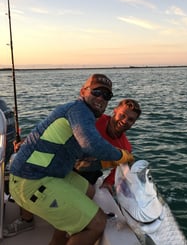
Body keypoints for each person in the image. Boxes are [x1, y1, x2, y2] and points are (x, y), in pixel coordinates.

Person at [8, 74, 134, 245]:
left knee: (88, 190)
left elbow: (79, 148)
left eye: (106, 95)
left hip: (48, 173)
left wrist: (107, 162)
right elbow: (90, 143)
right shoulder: (79, 110)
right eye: (96, 92)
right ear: (83, 91)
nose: (101, 98)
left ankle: (57, 242)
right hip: (31, 179)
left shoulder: (80, 113)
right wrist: (121, 155)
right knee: (96, 223)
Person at [4, 98, 141, 236]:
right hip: (65, 160)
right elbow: (52, 128)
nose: (124, 120)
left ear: (134, 123)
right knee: (33, 169)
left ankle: (69, 227)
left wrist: (109, 183)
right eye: (122, 115)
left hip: (88, 171)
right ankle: (26, 219)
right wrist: (28, 142)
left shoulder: (126, 148)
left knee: (85, 192)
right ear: (114, 111)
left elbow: (119, 169)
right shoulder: (92, 119)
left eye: (130, 119)